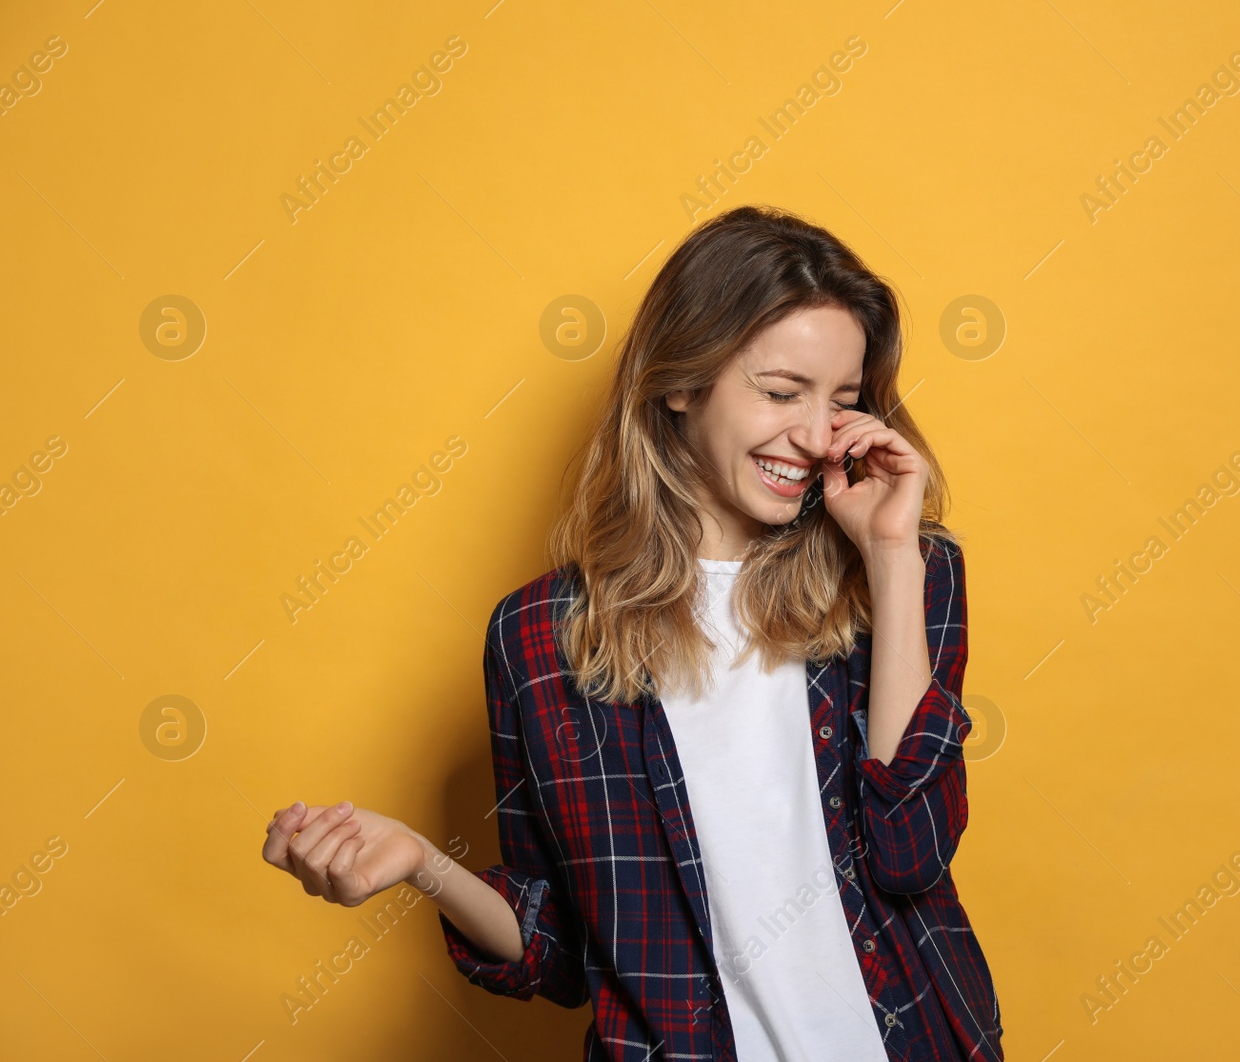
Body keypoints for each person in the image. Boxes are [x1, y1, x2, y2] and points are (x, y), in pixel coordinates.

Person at [261, 205, 1003, 1060]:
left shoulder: (902, 573)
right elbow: (563, 951)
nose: (813, 436)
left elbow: (910, 855)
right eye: (779, 390)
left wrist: (890, 554)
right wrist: (421, 860)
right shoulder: (540, 638)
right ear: (680, 382)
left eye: (842, 400)